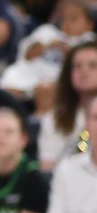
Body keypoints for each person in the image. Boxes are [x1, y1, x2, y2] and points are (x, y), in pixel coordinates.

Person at [38, 41, 97, 169]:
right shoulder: (54, 118)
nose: (84, 71)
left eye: (93, 65)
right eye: (77, 66)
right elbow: (47, 166)